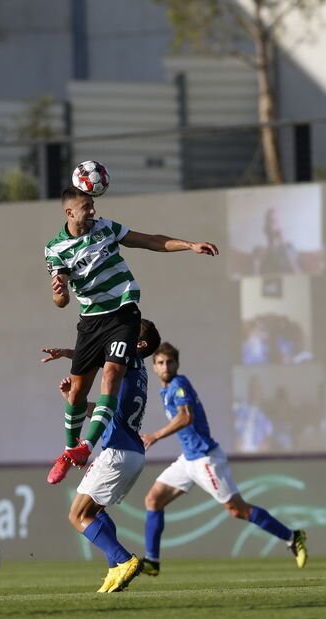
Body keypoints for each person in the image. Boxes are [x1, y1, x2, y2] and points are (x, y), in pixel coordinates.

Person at [44, 185, 218, 484]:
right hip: (90, 322)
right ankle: (70, 449)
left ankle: (86, 447)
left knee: (111, 376)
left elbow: (151, 240)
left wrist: (189, 245)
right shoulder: (54, 248)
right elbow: (61, 300)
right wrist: (59, 291)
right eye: (87, 206)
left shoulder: (106, 229)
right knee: (76, 392)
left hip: (124, 313)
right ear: (69, 212)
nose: (93, 211)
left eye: (93, 205)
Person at [141, 342, 307, 575]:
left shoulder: (179, 384)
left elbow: (186, 417)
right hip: (188, 460)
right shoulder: (165, 390)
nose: (165, 366)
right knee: (153, 500)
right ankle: (152, 561)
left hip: (205, 459)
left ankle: (292, 537)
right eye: (160, 363)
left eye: (170, 362)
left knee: (238, 510)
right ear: (154, 367)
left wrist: (156, 435)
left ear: (177, 364)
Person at [40, 318, 162, 593]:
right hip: (130, 453)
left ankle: (124, 560)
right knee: (94, 511)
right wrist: (74, 398)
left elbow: (100, 353)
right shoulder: (136, 369)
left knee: (76, 515)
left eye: (132, 331)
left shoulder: (129, 360)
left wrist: (72, 355)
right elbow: (102, 408)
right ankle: (114, 570)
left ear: (139, 344)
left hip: (117, 452)